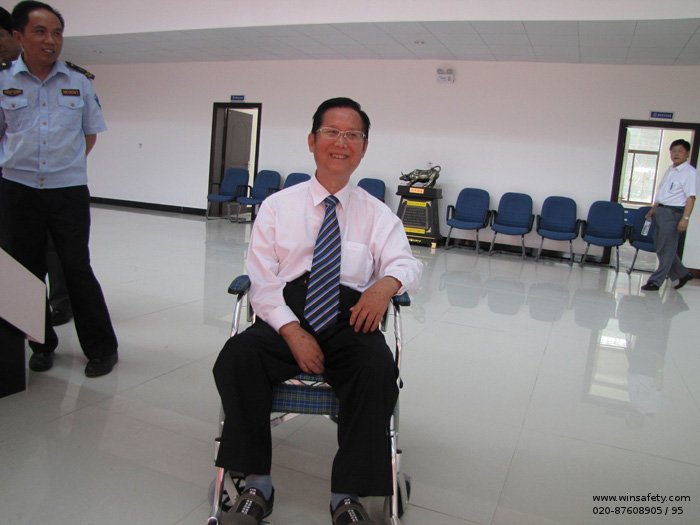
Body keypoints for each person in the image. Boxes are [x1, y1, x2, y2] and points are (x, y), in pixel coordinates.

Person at [213, 97, 422, 524]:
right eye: (331, 132)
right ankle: (256, 484)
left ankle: (347, 494)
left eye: (352, 135)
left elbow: (407, 263)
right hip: (285, 314)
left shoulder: (378, 214)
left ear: (363, 148)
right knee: (237, 357)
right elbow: (261, 278)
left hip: (350, 319)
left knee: (377, 369)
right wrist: (291, 331)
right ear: (312, 141)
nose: (341, 142)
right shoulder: (277, 207)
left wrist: (385, 285)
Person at [0, 1, 118, 376]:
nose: (50, 40)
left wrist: (61, 168)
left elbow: (89, 135)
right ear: (19, 36)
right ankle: (41, 344)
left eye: (57, 32)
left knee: (76, 268)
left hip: (67, 192)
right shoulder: (3, 81)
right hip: (18, 189)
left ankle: (102, 349)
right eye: (40, 31)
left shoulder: (78, 82)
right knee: (27, 272)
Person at [0, 4, 71, 327]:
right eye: (40, 31)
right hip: (12, 183)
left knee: (56, 251)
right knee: (17, 256)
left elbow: (81, 136)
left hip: (52, 184)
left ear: (14, 36)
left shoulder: (61, 78)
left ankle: (60, 304)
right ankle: (26, 320)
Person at [641, 139, 697, 291]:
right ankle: (683, 273)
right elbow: (662, 193)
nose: (676, 154)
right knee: (661, 247)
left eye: (680, 151)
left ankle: (655, 281)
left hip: (673, 213)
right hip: (661, 211)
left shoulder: (689, 173)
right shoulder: (670, 169)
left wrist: (685, 218)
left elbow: (691, 198)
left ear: (687, 153)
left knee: (666, 248)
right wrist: (654, 208)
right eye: (673, 151)